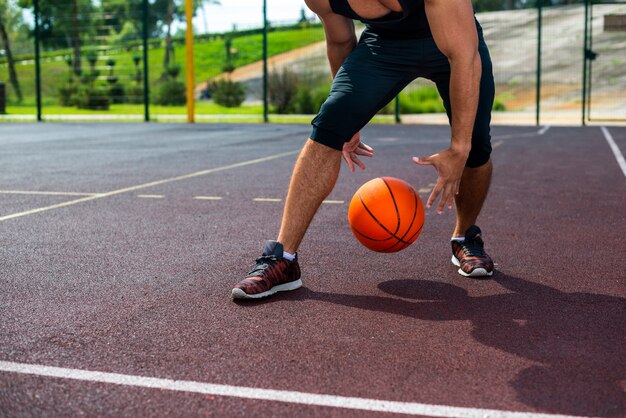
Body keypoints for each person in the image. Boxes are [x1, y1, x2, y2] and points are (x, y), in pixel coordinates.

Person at [231, 0, 495, 300]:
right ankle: (283, 259)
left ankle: (465, 236)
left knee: (475, 145)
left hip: (454, 41)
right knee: (331, 123)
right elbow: (341, 39)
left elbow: (463, 56)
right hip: (384, 45)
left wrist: (459, 148)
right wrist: (349, 120)